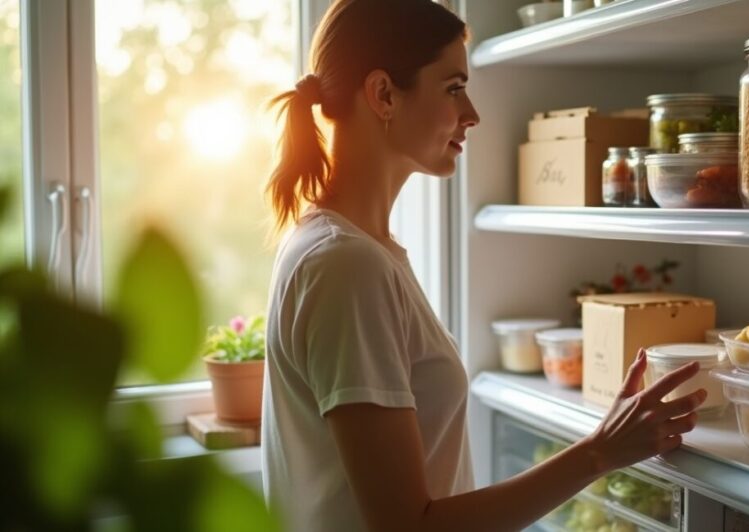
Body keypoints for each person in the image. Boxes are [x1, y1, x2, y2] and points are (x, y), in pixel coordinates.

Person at [261, 1, 707, 530]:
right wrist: (599, 453)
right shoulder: (346, 265)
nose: (472, 113)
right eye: (453, 88)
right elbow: (409, 525)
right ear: (383, 94)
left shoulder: (353, 249)